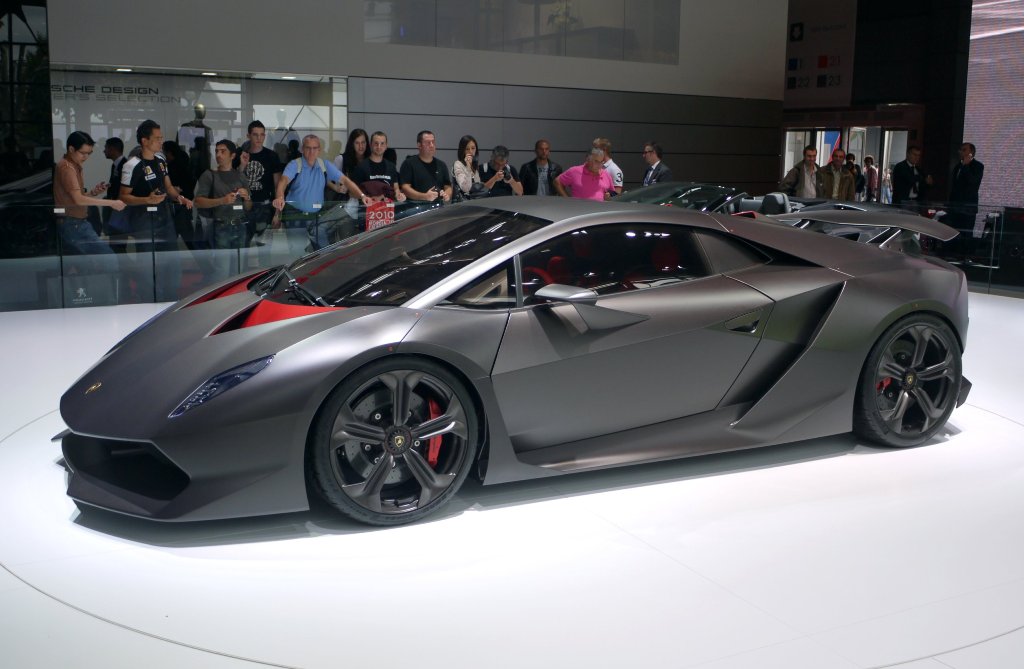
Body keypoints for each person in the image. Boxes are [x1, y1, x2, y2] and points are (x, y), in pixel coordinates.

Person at [120, 120, 193, 301]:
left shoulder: (161, 160)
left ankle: (170, 299)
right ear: (144, 141)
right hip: (144, 221)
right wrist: (147, 199)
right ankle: (148, 300)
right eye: (157, 138)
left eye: (161, 138)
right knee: (146, 265)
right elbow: (123, 196)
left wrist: (179, 198)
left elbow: (168, 187)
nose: (161, 141)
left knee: (172, 263)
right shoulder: (132, 165)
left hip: (165, 218)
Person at [273, 134, 370, 254]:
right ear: (302, 149)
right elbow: (283, 182)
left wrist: (362, 196)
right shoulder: (294, 165)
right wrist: (279, 199)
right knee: (296, 254)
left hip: (317, 217)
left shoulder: (324, 165)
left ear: (319, 150)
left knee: (321, 253)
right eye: (308, 148)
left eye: (315, 148)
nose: (311, 151)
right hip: (295, 216)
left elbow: (345, 180)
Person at [53, 131, 124, 272]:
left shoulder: (71, 165)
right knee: (108, 260)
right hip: (74, 223)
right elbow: (78, 200)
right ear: (71, 149)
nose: (86, 157)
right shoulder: (67, 168)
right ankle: (106, 291)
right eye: (83, 153)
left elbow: (74, 198)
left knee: (91, 263)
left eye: (89, 153)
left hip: (74, 223)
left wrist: (92, 193)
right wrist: (112, 203)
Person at [195, 139, 252, 281]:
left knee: (239, 269)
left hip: (240, 225)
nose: (218, 155)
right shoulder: (209, 175)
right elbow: (198, 201)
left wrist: (246, 198)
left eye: (223, 151)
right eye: (216, 151)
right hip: (221, 225)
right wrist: (222, 201)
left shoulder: (240, 176)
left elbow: (249, 207)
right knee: (222, 269)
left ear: (232, 156)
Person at [237, 120, 283, 254]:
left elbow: (277, 186)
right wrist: (242, 166)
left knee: (264, 251)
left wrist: (277, 214)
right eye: (255, 134)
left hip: (265, 208)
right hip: (244, 207)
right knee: (242, 249)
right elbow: (235, 182)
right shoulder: (241, 155)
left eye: (262, 135)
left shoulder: (272, 156)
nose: (259, 138)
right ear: (248, 136)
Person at [351, 131, 406, 202]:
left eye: (382, 143)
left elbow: (396, 189)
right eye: (376, 143)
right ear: (371, 145)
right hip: (367, 209)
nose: (379, 146)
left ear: (386, 146)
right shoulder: (361, 166)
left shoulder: (391, 166)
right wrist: (366, 197)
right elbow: (352, 193)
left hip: (388, 210)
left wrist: (400, 195)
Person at [399, 130, 453, 203]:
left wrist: (447, 194)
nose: (431, 145)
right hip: (415, 208)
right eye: (428, 143)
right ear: (419, 145)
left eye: (433, 142)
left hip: (439, 208)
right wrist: (425, 196)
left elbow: (448, 186)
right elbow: (405, 188)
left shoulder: (441, 165)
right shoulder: (409, 164)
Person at [948, 142, 985, 232]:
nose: (960, 152)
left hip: (968, 208)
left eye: (964, 150)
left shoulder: (978, 166)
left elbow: (972, 181)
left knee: (966, 234)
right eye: (960, 150)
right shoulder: (957, 166)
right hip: (955, 207)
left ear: (971, 153)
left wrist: (966, 166)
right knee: (952, 232)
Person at [102, 137, 129, 249]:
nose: (104, 151)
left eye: (106, 148)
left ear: (113, 149)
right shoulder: (115, 165)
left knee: (118, 241)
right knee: (114, 240)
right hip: (115, 207)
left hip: (121, 209)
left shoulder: (125, 165)